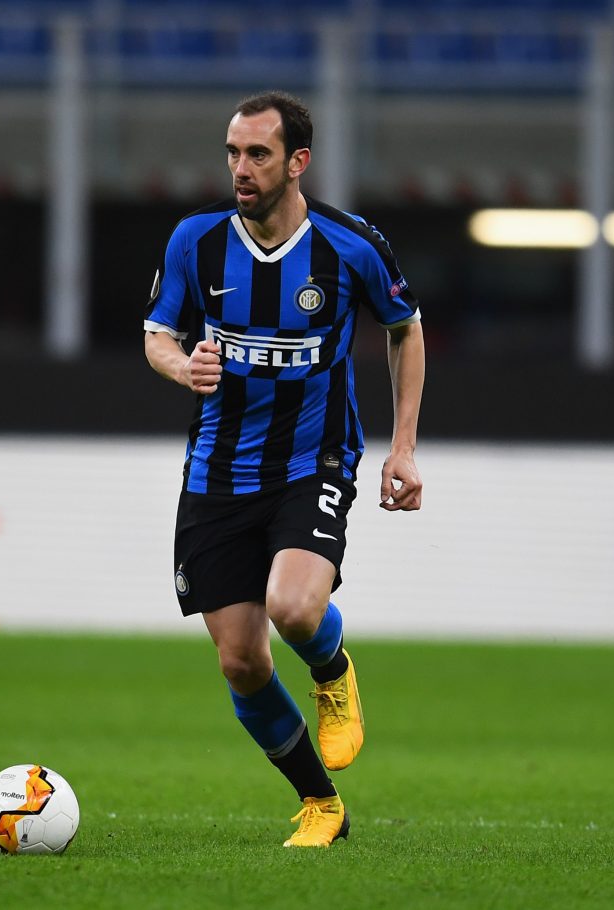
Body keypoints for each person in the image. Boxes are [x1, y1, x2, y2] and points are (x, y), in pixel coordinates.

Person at [142, 90, 424, 848]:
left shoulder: (350, 244)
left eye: (258, 154)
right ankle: (321, 805)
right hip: (217, 470)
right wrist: (183, 366)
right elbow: (157, 334)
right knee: (240, 660)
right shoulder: (196, 240)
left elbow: (405, 328)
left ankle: (332, 671)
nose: (241, 168)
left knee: (294, 608)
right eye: (233, 153)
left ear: (297, 161)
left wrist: (402, 447)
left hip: (314, 458)